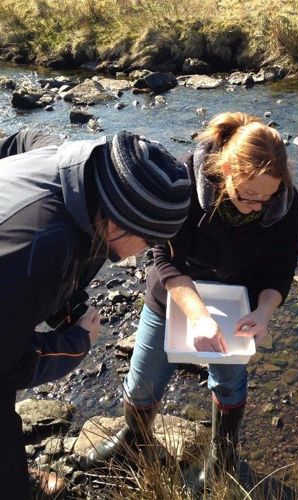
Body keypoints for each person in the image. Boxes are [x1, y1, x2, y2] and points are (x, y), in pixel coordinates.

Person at [87, 112, 298, 483]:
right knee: (143, 379)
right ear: (225, 171)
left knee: (229, 378)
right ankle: (134, 438)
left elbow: (280, 270)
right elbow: (163, 258)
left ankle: (223, 456)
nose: (256, 206)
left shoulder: (286, 206)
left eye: (265, 200)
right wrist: (199, 316)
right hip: (171, 292)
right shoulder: (185, 180)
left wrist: (265, 311)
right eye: (247, 196)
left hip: (237, 300)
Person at [0, 129, 191, 499]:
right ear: (118, 223)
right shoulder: (42, 248)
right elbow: (6, 362)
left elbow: (18, 139)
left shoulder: (75, 161)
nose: (143, 254)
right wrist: (75, 342)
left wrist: (63, 302)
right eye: (149, 241)